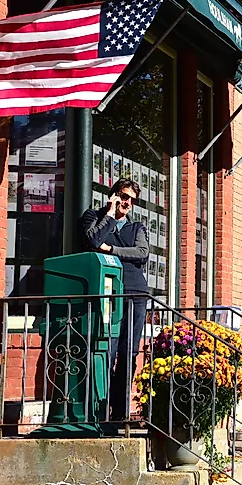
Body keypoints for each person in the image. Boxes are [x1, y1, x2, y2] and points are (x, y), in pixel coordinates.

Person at [81, 178, 150, 422]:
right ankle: (99, 410)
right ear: (112, 195)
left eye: (131, 199)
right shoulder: (93, 217)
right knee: (105, 349)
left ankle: (120, 412)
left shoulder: (137, 228)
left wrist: (111, 249)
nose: (126, 202)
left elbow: (142, 253)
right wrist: (109, 215)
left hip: (135, 294)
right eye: (123, 196)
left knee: (128, 352)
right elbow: (91, 240)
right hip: (106, 292)